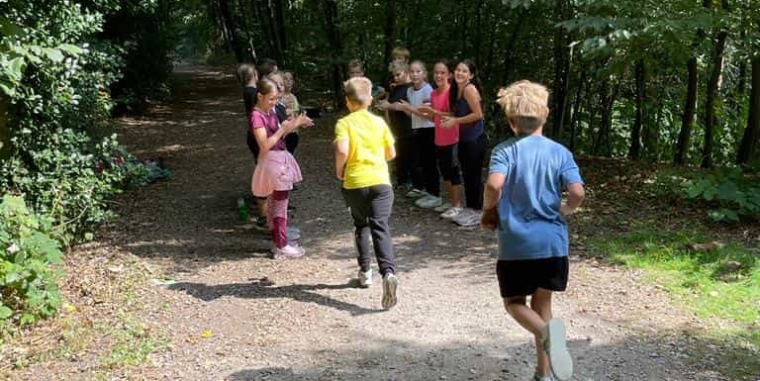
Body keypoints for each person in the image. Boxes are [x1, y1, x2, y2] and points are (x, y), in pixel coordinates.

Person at [481, 80, 585, 381]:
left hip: (517, 245)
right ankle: (545, 374)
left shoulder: (504, 151)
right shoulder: (560, 152)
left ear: (512, 121)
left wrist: (489, 211)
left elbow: (493, 185)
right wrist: (566, 210)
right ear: (547, 115)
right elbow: (577, 192)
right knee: (543, 305)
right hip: (553, 244)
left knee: (515, 304)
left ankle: (546, 335)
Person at [334, 76, 399, 310]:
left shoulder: (344, 124)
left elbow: (342, 150)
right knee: (380, 226)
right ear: (370, 100)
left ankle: (365, 272)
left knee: (361, 225)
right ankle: (388, 273)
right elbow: (391, 153)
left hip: (355, 183)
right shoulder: (380, 123)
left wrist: (340, 170)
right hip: (381, 182)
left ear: (348, 101)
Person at [250, 78, 313, 258]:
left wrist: (297, 123)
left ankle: (279, 239)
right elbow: (264, 144)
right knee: (279, 204)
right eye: (271, 99)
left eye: (276, 99)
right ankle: (281, 244)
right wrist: (282, 129)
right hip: (272, 162)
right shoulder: (257, 116)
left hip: (279, 159)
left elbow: (280, 132)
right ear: (260, 96)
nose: (274, 103)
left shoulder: (269, 111)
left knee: (277, 203)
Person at [443, 59, 487, 227]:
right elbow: (456, 113)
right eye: (458, 70)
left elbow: (478, 114)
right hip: (464, 139)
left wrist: (455, 121)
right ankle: (471, 209)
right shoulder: (457, 89)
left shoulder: (469, 89)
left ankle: (478, 211)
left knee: (473, 175)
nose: (460, 73)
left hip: (475, 139)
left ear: (471, 75)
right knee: (468, 175)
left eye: (464, 71)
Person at [418, 59, 464, 219]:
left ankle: (457, 205)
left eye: (442, 72)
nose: (438, 75)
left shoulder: (453, 92)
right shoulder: (433, 93)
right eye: (436, 72)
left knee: (453, 171)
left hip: (452, 137)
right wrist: (426, 113)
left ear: (449, 75)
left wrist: (434, 112)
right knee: (444, 171)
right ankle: (451, 202)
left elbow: (454, 115)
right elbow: (433, 118)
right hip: (439, 138)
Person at [395, 60, 441, 208]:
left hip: (430, 129)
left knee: (430, 163)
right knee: (422, 162)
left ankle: (435, 194)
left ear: (424, 74)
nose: (415, 75)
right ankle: (428, 191)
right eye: (412, 72)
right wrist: (405, 109)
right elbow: (413, 114)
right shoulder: (409, 91)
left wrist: (408, 108)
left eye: (418, 71)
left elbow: (427, 115)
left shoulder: (428, 90)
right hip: (418, 129)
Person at [236, 63, 269, 232]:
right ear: (255, 74)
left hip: (253, 134)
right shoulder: (253, 93)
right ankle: (264, 207)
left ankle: (264, 202)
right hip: (257, 135)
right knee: (264, 167)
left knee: (262, 165)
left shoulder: (248, 91)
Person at [378, 62, 418, 196]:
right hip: (397, 129)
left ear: (406, 72)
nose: (395, 77)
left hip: (409, 129)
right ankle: (402, 182)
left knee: (411, 158)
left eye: (398, 74)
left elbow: (407, 108)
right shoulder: (396, 88)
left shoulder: (410, 89)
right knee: (399, 157)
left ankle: (415, 185)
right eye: (393, 75)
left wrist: (390, 106)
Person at [267, 71, 300, 156]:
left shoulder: (292, 98)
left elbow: (295, 114)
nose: (279, 86)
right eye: (275, 84)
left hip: (292, 134)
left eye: (281, 84)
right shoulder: (270, 106)